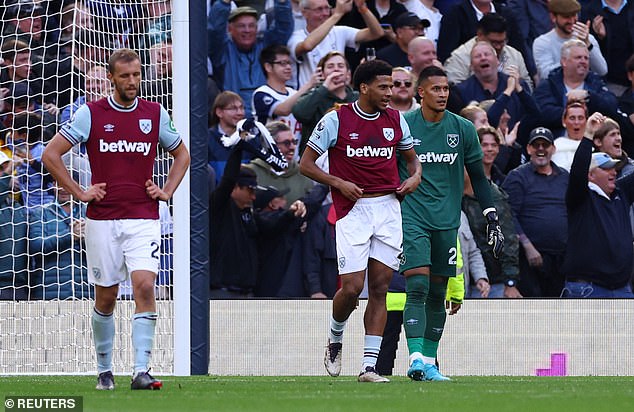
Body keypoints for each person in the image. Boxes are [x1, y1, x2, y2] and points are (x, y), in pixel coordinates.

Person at [41, 48, 190, 390]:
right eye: (125, 76)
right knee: (106, 296)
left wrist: (167, 189)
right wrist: (79, 191)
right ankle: (104, 370)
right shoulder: (90, 114)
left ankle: (141, 370)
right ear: (111, 78)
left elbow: (182, 153)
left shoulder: (154, 113)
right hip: (102, 218)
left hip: (143, 215)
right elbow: (51, 154)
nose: (132, 81)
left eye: (137, 75)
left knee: (144, 285)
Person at [299, 60, 422, 383]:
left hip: (388, 209)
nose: (390, 93)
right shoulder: (336, 119)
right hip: (353, 210)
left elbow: (413, 161)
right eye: (383, 86)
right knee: (352, 289)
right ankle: (335, 338)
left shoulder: (396, 120)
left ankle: (369, 367)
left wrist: (414, 179)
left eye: (392, 86)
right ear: (364, 87)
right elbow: (306, 165)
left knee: (380, 287)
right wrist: (338, 183)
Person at [399, 65, 503, 381]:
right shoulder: (404, 126)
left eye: (445, 89)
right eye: (436, 89)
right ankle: (415, 358)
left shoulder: (462, 129)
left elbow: (479, 178)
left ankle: (429, 363)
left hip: (447, 221)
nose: (443, 94)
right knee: (416, 284)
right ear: (421, 92)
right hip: (412, 216)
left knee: (437, 292)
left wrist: (491, 215)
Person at [561, 112, 634, 297]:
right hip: (589, 289)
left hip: (622, 288)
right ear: (590, 175)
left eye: (614, 168)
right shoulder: (580, 197)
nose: (613, 172)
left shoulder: (620, 193)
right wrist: (588, 136)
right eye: (606, 168)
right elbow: (578, 171)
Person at [502, 127, 569, 297]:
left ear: (553, 149)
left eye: (545, 145)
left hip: (561, 259)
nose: (541, 149)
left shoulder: (564, 177)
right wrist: (527, 245)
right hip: (530, 260)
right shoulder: (517, 176)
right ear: (528, 149)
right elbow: (508, 215)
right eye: (536, 145)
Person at [208, 1, 293, 115]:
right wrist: (223, 4)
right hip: (234, 118)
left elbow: (283, 29)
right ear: (230, 29)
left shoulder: (265, 47)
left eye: (251, 26)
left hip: (265, 116)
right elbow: (215, 31)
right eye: (241, 26)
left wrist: (282, 4)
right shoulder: (222, 50)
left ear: (257, 28)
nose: (247, 30)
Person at [287, 0, 383, 88]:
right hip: (310, 98)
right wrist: (337, 15)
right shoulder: (296, 37)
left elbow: (376, 33)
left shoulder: (338, 31)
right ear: (304, 13)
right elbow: (307, 46)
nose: (325, 13)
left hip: (338, 94)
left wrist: (363, 9)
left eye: (327, 8)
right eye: (319, 9)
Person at [532, 39, 618, 137]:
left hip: (592, 143)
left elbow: (612, 105)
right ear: (564, 61)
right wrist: (573, 114)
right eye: (578, 57)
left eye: (586, 58)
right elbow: (541, 112)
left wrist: (588, 96)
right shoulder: (549, 84)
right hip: (557, 143)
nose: (583, 61)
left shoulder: (596, 82)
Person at [28, 180, 92, 300]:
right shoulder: (41, 213)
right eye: (59, 184)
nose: (63, 188)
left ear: (78, 186)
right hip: (48, 293)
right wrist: (70, 236)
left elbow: (103, 253)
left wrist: (85, 238)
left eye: (67, 184)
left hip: (86, 291)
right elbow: (36, 247)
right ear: (53, 186)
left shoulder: (90, 213)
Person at [252, 45, 318, 153]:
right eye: (282, 63)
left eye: (289, 63)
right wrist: (308, 85)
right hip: (270, 159)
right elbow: (283, 110)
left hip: (294, 159)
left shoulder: (294, 93)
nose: (288, 67)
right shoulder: (261, 93)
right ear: (268, 67)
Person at [292, 51, 358, 155]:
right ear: (322, 74)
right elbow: (300, 114)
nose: (336, 69)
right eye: (330, 66)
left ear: (348, 73)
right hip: (317, 159)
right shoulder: (313, 96)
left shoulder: (357, 97)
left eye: (340, 66)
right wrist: (324, 88)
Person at [444, 13, 533, 88]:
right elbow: (455, 93)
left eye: (502, 41)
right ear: (480, 34)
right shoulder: (459, 57)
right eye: (493, 42)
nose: (498, 47)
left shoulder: (515, 55)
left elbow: (528, 87)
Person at [532, 0, 607, 81]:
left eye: (574, 15)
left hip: (586, 89)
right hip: (555, 91)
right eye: (566, 17)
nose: (571, 21)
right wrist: (572, 56)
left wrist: (588, 44)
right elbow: (546, 74)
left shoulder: (587, 38)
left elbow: (602, 70)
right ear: (553, 17)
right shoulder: (542, 42)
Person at [245, 121, 315, 204]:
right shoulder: (251, 172)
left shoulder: (304, 174)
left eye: (294, 142)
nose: (292, 147)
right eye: (286, 143)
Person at [0, 151, 28, 300]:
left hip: (20, 285)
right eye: (1, 170)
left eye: (6, 168)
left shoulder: (16, 207)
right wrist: (10, 169)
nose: (6, 173)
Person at [551, 101, 587, 171]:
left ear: (587, 121)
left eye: (580, 118)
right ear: (564, 122)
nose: (576, 122)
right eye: (572, 118)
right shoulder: (557, 146)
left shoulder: (594, 147)